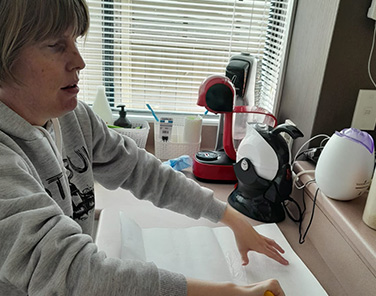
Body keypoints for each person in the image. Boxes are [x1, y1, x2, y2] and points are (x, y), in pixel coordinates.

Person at [0, 0, 288, 295]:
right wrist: (229, 292)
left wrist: (230, 217)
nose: (79, 60)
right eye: (55, 45)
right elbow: (75, 275)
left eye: (74, 40)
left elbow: (141, 170)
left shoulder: (74, 118)